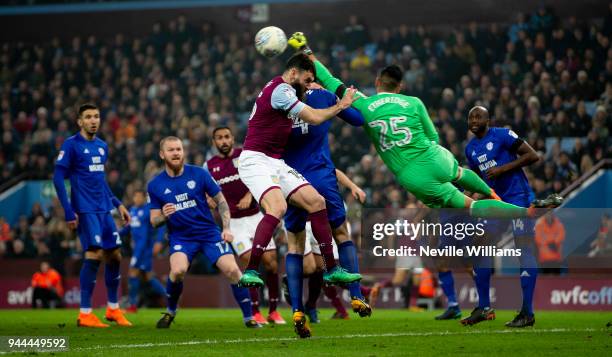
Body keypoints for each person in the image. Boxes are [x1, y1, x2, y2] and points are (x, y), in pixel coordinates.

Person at [286, 33, 562, 218]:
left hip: (411, 173)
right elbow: (433, 135)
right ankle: (497, 196)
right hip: (434, 156)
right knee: (460, 173)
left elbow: (331, 79)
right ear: (400, 86)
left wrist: (306, 51)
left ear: (378, 84)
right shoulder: (414, 102)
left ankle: (523, 212)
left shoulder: (365, 104)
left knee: (471, 206)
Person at [236, 53, 361, 337]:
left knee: (316, 202)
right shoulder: (281, 90)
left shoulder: (287, 89)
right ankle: (251, 270)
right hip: (255, 159)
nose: (309, 84)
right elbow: (315, 117)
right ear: (294, 73)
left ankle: (331, 269)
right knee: (277, 208)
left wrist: (319, 91)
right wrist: (341, 103)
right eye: (307, 79)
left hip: (276, 162)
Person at [281, 84, 372, 322]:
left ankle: (297, 311)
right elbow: (357, 119)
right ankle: (355, 295)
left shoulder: (276, 100)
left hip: (290, 180)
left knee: (295, 245)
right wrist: (340, 93)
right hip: (321, 176)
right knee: (341, 233)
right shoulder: (322, 96)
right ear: (311, 77)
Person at [148, 136, 259, 329]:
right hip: (181, 237)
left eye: (179, 149)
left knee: (233, 270)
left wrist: (226, 228)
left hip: (209, 233)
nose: (176, 153)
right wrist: (163, 217)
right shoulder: (155, 184)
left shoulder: (199, 174)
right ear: (162, 154)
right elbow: (154, 220)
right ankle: (171, 311)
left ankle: (249, 318)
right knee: (177, 271)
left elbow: (221, 201)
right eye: (171, 150)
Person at [53, 103, 132, 328]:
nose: (93, 120)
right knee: (94, 255)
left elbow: (100, 180)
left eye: (96, 116)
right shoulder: (71, 145)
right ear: (80, 121)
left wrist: (118, 204)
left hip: (104, 208)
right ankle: (85, 313)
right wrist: (69, 210)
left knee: (115, 255)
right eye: (88, 117)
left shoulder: (102, 146)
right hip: (85, 210)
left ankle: (113, 309)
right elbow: (58, 178)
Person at [462, 105, 542, 327]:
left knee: (523, 249)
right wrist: (461, 198)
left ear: (488, 120)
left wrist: (503, 169)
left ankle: (527, 312)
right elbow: (476, 179)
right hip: (495, 202)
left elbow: (532, 155)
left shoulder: (503, 135)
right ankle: (485, 307)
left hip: (518, 198)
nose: (474, 120)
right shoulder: (470, 149)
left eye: (478, 116)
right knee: (480, 246)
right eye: (471, 117)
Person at [206, 126, 285, 325]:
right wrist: (209, 200)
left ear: (233, 138)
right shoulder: (209, 166)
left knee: (272, 263)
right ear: (214, 142)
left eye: (226, 137)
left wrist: (250, 194)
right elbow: (207, 193)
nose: (223, 141)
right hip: (233, 223)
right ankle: (256, 310)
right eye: (219, 138)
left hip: (255, 216)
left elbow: (262, 177)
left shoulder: (245, 157)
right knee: (251, 262)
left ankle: (274, 311)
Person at [118, 189, 167, 312]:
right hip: (138, 248)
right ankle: (170, 296)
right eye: (136, 197)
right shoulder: (133, 211)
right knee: (148, 276)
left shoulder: (147, 211)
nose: (137, 199)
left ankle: (133, 305)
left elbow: (159, 226)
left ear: (144, 198)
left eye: (140, 197)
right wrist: (116, 233)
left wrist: (159, 241)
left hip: (144, 249)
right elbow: (127, 228)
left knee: (133, 273)